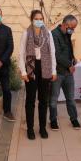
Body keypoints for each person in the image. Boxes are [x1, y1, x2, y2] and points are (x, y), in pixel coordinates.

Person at [19, 10, 57, 140]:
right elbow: (21, 53)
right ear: (32, 19)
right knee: (30, 100)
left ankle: (42, 128)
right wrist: (23, 71)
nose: (39, 20)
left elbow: (52, 52)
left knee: (43, 100)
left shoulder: (48, 33)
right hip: (31, 68)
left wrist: (54, 71)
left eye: (41, 18)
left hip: (45, 68)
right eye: (36, 18)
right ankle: (30, 129)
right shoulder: (26, 33)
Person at [49, 15, 81, 131]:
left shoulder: (68, 34)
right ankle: (53, 120)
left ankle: (74, 119)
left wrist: (73, 58)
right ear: (65, 24)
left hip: (68, 74)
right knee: (53, 99)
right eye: (72, 27)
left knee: (71, 98)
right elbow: (56, 55)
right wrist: (69, 65)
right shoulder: (53, 34)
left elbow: (68, 50)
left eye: (74, 28)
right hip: (57, 72)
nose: (73, 30)